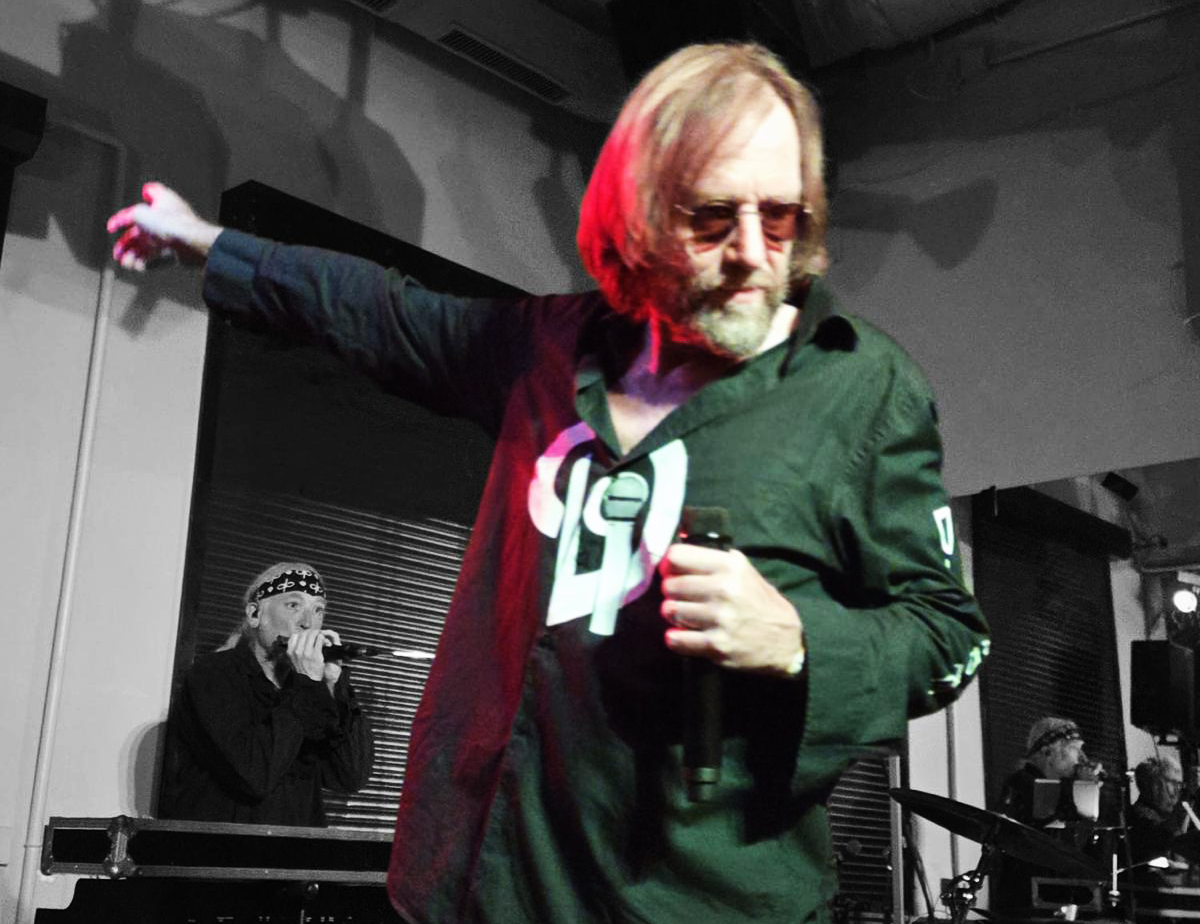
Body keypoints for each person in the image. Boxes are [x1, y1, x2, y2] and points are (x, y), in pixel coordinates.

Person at [110, 42, 988, 924]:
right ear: (642, 214)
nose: (754, 254)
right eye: (714, 217)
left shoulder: (860, 389)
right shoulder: (553, 346)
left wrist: (797, 639)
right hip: (493, 883)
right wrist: (210, 244)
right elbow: (386, 312)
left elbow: (948, 634)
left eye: (783, 216)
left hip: (701, 901)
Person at [159, 562, 374, 826]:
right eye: (293, 605)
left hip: (294, 849)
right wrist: (305, 683)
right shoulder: (213, 674)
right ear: (255, 614)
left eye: (318, 609)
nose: (308, 623)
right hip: (226, 848)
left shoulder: (308, 688)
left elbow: (351, 776)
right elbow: (254, 775)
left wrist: (335, 686)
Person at [991, 717, 1104, 913]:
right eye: (1075, 749)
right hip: (1026, 898)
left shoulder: (1061, 788)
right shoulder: (1022, 782)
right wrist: (1082, 787)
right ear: (1049, 751)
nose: (1081, 758)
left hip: (1054, 894)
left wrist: (1088, 789)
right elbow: (1046, 821)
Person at [1128, 753, 1187, 864]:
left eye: (1179, 785)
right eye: (1174, 783)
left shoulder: (1164, 821)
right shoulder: (1145, 827)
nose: (1176, 792)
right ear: (1154, 786)